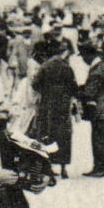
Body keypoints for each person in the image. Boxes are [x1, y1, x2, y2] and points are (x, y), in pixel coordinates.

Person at [29, 37, 78, 179]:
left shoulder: (45, 66)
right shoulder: (66, 67)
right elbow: (74, 87)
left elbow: (35, 84)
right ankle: (63, 169)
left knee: (46, 133)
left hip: (47, 106)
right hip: (62, 106)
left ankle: (47, 166)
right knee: (64, 136)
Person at [78, 42, 104, 177]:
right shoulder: (99, 66)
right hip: (102, 106)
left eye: (84, 56)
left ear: (90, 55)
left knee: (98, 138)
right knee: (99, 137)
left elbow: (90, 91)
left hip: (98, 108)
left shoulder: (97, 69)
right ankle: (102, 167)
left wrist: (78, 91)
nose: (83, 60)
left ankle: (101, 168)